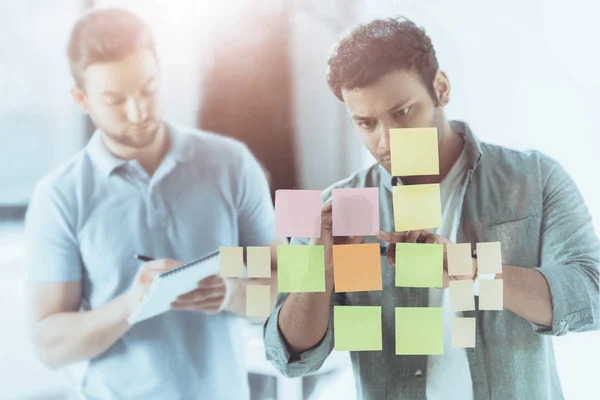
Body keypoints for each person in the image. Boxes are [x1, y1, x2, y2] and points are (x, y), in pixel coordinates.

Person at [264, 16, 600, 400]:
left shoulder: (533, 178)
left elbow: (591, 294)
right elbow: (289, 354)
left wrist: (472, 271)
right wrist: (319, 271)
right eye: (366, 123)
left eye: (402, 112)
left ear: (440, 88)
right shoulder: (335, 207)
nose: (385, 141)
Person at [25, 7, 286, 400]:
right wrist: (133, 304)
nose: (139, 111)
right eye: (115, 99)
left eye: (148, 88)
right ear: (82, 99)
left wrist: (229, 293)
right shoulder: (60, 197)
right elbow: (50, 345)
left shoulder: (231, 164)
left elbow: (287, 288)